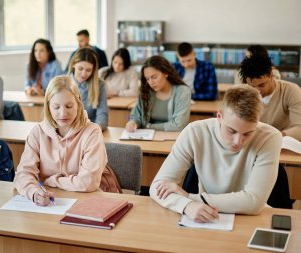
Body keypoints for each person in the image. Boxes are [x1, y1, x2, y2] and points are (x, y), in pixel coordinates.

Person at [149, 85, 282, 222]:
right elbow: (156, 187)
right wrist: (186, 205)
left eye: (247, 133)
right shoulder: (195, 132)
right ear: (219, 116)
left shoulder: (270, 137)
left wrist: (190, 197)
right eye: (231, 131)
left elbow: (254, 202)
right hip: (205, 215)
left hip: (248, 218)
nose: (238, 141)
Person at [14, 76, 120, 206]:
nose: (63, 113)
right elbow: (23, 174)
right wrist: (34, 193)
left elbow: (88, 183)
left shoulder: (92, 132)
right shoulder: (37, 132)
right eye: (56, 107)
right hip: (52, 202)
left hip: (89, 200)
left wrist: (52, 181)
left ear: (78, 104)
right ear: (48, 106)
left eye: (69, 106)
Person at [239, 54, 301, 141]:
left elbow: (299, 129)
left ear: (271, 76)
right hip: (255, 143)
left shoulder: (291, 91)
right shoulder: (244, 93)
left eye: (261, 85)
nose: (257, 91)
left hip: (283, 144)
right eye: (252, 86)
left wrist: (274, 137)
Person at [126, 55, 191, 132]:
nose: (151, 82)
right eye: (147, 79)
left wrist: (149, 127)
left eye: (154, 77)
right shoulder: (146, 91)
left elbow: (178, 125)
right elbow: (136, 116)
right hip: (147, 138)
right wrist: (133, 123)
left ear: (166, 73)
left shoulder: (183, 92)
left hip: (173, 139)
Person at [68, 47, 108, 131]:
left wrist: (96, 129)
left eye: (88, 70)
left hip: (90, 131)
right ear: (73, 65)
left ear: (93, 70)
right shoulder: (62, 83)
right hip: (67, 131)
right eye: (80, 69)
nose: (84, 74)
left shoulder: (100, 85)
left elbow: (102, 114)